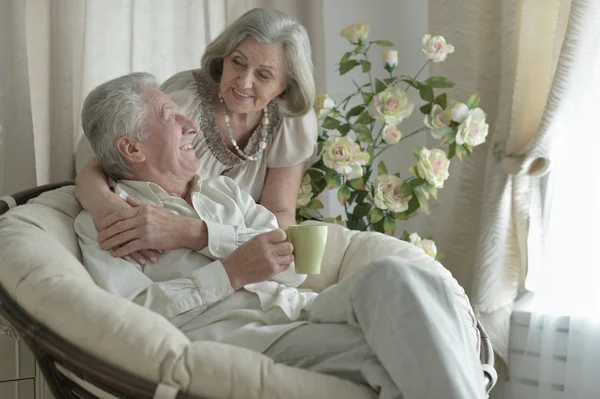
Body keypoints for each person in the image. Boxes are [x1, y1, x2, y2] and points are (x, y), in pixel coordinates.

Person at [74, 72, 487, 399]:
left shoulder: (223, 192)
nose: (188, 124)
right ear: (131, 149)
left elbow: (289, 267)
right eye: (170, 116)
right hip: (251, 340)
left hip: (304, 307)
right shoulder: (108, 222)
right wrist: (230, 273)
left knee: (400, 276)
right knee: (403, 355)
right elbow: (133, 319)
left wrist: (202, 235)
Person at [75, 8, 318, 265]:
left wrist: (272, 266)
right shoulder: (183, 100)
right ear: (223, 57)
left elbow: (279, 212)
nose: (244, 82)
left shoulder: (292, 123)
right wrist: (106, 207)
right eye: (237, 61)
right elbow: (105, 155)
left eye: (264, 74)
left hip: (233, 252)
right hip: (176, 260)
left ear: (286, 85)